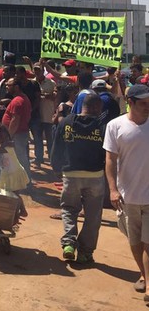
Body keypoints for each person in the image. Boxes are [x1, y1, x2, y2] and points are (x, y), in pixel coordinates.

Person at [104, 84, 149, 300]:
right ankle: (143, 274)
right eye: (143, 103)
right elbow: (110, 159)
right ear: (130, 102)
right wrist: (112, 189)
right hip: (127, 197)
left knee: (148, 242)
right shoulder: (115, 126)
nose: (147, 107)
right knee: (135, 241)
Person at [51, 93, 107, 263]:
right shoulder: (103, 125)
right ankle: (85, 253)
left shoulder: (67, 121)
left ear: (82, 105)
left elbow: (56, 147)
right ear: (97, 107)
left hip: (71, 175)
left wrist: (55, 168)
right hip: (95, 176)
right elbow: (109, 152)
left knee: (69, 209)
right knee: (93, 215)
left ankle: (69, 243)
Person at [0, 124, 28, 222]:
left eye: (5, 137)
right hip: (10, 173)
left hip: (14, 174)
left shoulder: (7, 146)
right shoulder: (5, 145)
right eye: (1, 138)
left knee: (14, 196)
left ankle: (19, 213)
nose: (4, 140)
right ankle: (18, 212)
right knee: (13, 195)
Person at [1, 77, 32, 182]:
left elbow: (15, 120)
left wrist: (9, 136)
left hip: (16, 135)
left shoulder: (18, 101)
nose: (6, 87)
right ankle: (22, 181)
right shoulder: (21, 98)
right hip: (19, 134)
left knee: (19, 159)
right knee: (19, 158)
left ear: (16, 87)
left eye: (9, 85)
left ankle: (25, 182)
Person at [33, 62, 56, 163]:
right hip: (37, 116)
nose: (37, 71)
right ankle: (39, 158)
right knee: (37, 139)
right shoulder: (32, 83)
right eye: (35, 69)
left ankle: (52, 158)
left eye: (39, 69)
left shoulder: (51, 82)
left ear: (43, 70)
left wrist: (43, 95)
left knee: (50, 140)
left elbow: (54, 96)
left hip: (48, 115)